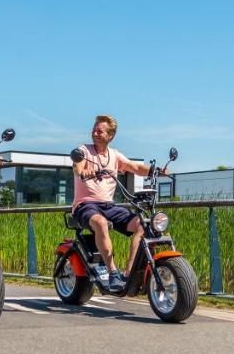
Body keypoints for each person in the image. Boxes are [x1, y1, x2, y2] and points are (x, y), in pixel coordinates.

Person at [71, 114, 167, 289]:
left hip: (109, 205)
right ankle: (113, 273)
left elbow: (135, 167)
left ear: (110, 136)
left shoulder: (114, 155)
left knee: (143, 224)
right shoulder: (84, 151)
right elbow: (77, 165)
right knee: (100, 223)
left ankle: (129, 274)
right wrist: (83, 172)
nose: (94, 133)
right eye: (94, 129)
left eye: (99, 131)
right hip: (85, 205)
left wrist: (156, 171)